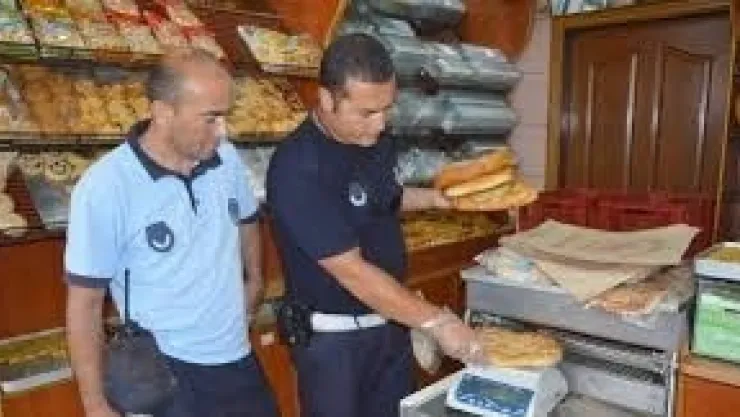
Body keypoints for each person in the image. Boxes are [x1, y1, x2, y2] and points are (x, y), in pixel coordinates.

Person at [266, 33, 483, 417]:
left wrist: (437, 199)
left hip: (390, 327)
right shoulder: (297, 167)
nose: (380, 124)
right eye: (367, 113)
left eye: (387, 109)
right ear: (327, 99)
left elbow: (384, 198)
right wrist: (436, 321)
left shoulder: (375, 142)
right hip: (334, 345)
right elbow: (353, 273)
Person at [64, 49, 278, 417]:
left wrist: (255, 278)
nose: (222, 131)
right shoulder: (106, 187)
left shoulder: (225, 159)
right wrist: (95, 404)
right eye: (210, 118)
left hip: (236, 359)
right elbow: (85, 303)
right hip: (163, 372)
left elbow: (247, 218)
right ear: (163, 112)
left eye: (225, 117)